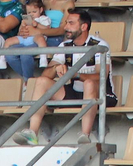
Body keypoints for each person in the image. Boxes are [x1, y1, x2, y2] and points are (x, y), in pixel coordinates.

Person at [14, 9, 111, 146]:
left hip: (101, 94)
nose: (66, 27)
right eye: (66, 23)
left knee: (89, 83)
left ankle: (85, 135)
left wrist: (75, 74)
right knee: (42, 82)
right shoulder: (64, 45)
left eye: (71, 23)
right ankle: (32, 132)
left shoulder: (99, 46)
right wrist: (55, 68)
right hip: (74, 93)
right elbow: (45, 76)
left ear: (83, 27)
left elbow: (101, 76)